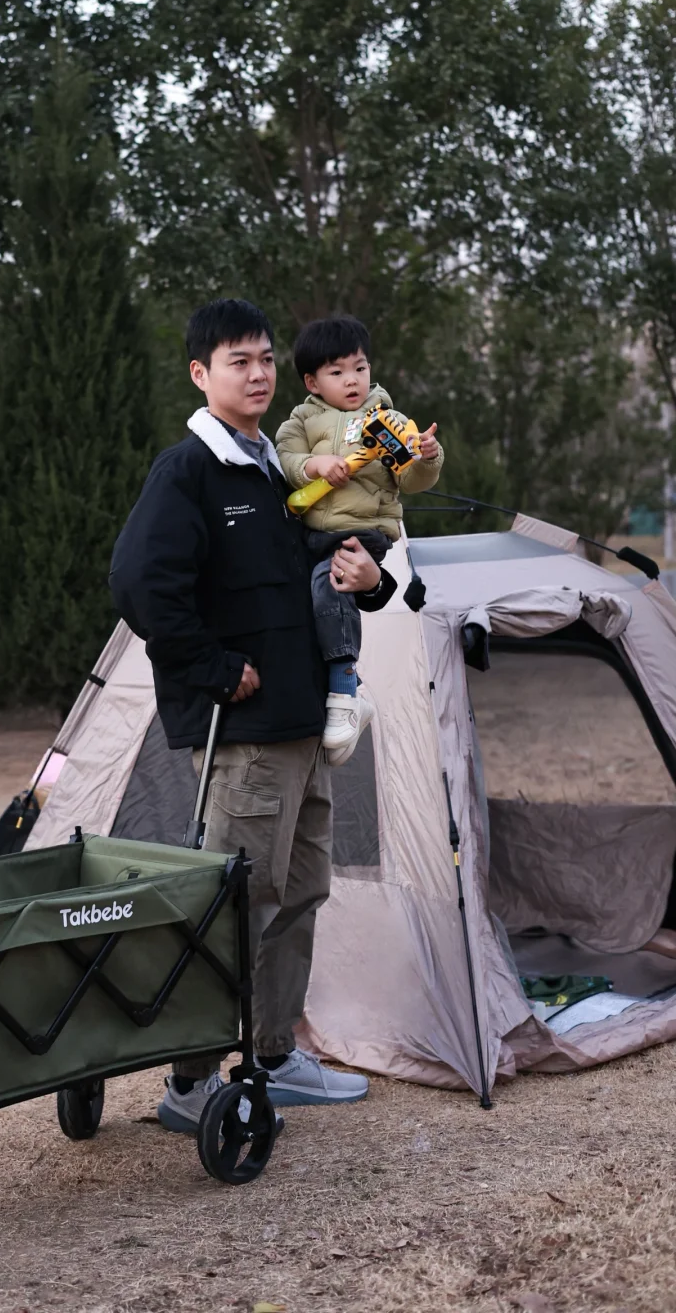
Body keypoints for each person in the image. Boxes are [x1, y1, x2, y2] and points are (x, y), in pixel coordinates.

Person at [109, 298, 397, 1131]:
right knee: (234, 905)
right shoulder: (188, 472)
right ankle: (192, 1080)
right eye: (241, 360)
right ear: (201, 375)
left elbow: (324, 577)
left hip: (304, 727)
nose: (261, 372)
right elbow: (139, 584)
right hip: (240, 736)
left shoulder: (284, 468)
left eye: (267, 358)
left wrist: (366, 581)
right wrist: (210, 667)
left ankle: (272, 1052)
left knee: (301, 892)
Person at [275, 315, 443, 756]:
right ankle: (345, 689)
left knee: (328, 585)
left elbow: (412, 480)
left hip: (363, 532)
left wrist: (426, 456)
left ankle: (346, 692)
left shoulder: (387, 419)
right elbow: (285, 456)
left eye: (360, 367)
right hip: (312, 530)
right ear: (312, 381)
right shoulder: (302, 419)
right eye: (337, 372)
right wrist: (314, 466)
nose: (352, 380)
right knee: (311, 598)